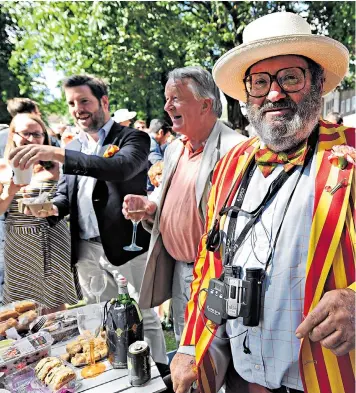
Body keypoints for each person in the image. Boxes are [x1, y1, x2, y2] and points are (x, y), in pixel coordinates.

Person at [172, 12, 355, 393]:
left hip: (329, 380)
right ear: (247, 96)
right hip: (242, 378)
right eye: (260, 82)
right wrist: (191, 345)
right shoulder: (229, 166)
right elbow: (211, 261)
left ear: (318, 83)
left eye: (290, 77)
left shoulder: (350, 155)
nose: (274, 94)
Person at [8, 74, 167, 367]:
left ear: (103, 101)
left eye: (84, 100)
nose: (77, 108)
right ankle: (117, 372)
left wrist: (56, 152)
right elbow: (68, 194)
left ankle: (159, 371)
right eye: (71, 103)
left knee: (145, 315)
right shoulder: (75, 146)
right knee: (101, 316)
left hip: (127, 246)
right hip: (86, 251)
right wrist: (52, 208)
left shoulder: (133, 138)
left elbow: (118, 168)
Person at [123, 66, 246, 344]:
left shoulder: (236, 149)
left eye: (175, 98)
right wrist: (150, 206)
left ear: (205, 104)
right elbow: (167, 195)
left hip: (215, 274)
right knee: (184, 345)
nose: (167, 107)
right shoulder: (175, 148)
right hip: (180, 269)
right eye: (167, 99)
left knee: (218, 349)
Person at [0, 113, 80, 307]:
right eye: (26, 133)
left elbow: (70, 200)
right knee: (23, 306)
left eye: (37, 134)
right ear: (13, 135)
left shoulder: (56, 165)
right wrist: (10, 191)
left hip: (54, 234)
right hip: (20, 240)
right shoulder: (3, 167)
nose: (32, 139)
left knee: (56, 303)